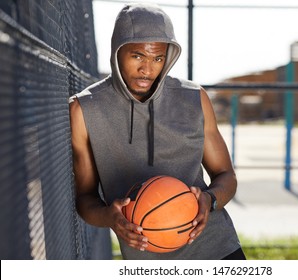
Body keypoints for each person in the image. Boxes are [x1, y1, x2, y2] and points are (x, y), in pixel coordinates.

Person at [69, 2, 245, 260]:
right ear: (117, 52)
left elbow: (226, 175)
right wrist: (110, 217)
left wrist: (209, 200)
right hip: (146, 258)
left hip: (216, 248)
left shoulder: (194, 99)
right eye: (137, 56)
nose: (147, 69)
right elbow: (85, 198)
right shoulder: (85, 110)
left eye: (158, 58)